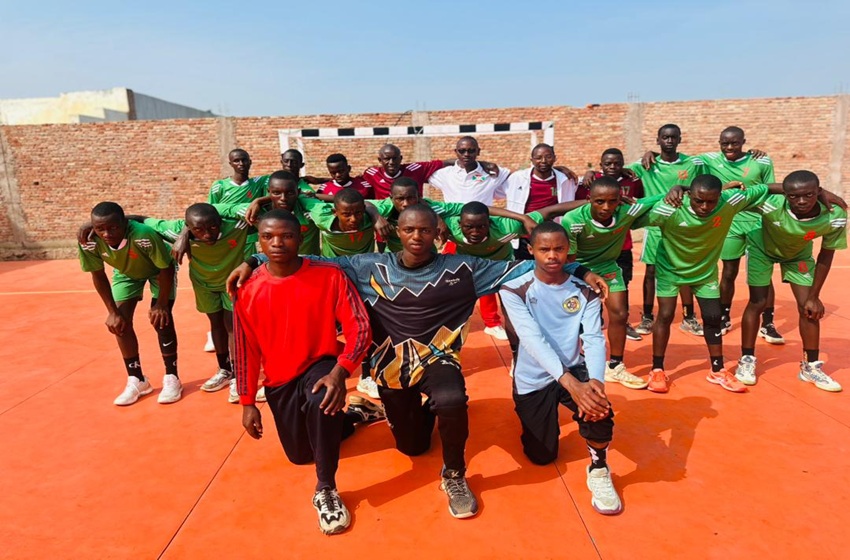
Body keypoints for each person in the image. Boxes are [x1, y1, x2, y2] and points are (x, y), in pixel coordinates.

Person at [228, 204, 609, 520]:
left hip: (439, 357)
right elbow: (303, 258)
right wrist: (255, 258)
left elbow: (536, 265)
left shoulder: (463, 269)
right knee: (412, 446)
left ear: (437, 232)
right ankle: (390, 414)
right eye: (409, 229)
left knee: (452, 398)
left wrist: (580, 269)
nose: (416, 237)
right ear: (397, 230)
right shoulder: (366, 266)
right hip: (390, 367)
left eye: (425, 231)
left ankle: (455, 473)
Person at [234, 209, 380, 535]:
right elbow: (245, 350)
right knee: (301, 455)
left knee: (321, 397)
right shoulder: (247, 289)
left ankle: (325, 489)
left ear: (300, 238)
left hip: (321, 364)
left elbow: (360, 328)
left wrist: (342, 372)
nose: (277, 243)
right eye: (268, 237)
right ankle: (353, 416)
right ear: (258, 242)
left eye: (286, 236)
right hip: (279, 378)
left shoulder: (328, 275)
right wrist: (247, 402)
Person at [500, 221, 622, 515]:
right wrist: (572, 385)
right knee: (542, 455)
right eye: (544, 249)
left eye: (559, 249)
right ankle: (536, 422)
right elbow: (532, 339)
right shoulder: (514, 289)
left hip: (573, 368)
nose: (552, 255)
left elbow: (592, 338)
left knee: (599, 409)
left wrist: (595, 384)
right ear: (531, 251)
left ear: (569, 251)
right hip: (533, 376)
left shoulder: (586, 290)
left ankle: (599, 468)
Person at [646, 175, 778, 393]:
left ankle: (717, 370)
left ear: (720, 196)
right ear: (689, 195)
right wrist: (675, 187)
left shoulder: (730, 201)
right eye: (699, 200)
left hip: (704, 273)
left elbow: (767, 187)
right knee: (666, 315)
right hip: (670, 271)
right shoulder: (671, 207)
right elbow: (634, 213)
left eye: (711, 201)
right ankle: (657, 369)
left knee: (713, 318)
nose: (705, 206)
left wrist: (820, 192)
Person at [734, 171, 847, 391]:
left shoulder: (835, 214)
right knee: (757, 302)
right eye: (794, 196)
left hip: (798, 255)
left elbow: (826, 254)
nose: (802, 201)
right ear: (785, 194)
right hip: (761, 250)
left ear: (818, 192)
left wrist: (814, 296)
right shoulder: (770, 204)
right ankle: (747, 359)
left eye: (809, 195)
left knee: (809, 308)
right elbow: (753, 190)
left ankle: (810, 366)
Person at [562, 177, 665, 390]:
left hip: (608, 267)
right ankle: (570, 364)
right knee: (574, 318)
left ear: (621, 200)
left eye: (612, 201)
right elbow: (569, 261)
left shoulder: (627, 211)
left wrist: (678, 187)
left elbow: (658, 198)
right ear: (589, 199)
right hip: (578, 268)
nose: (606, 207)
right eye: (600, 201)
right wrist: (586, 276)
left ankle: (615, 365)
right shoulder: (572, 220)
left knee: (619, 313)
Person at [77, 202, 181, 405]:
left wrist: (160, 304)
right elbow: (98, 275)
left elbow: (166, 268)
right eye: (100, 229)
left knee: (161, 318)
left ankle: (172, 377)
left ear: (124, 223)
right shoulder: (88, 241)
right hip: (126, 273)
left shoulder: (143, 234)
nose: (106, 233)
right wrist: (111, 311)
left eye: (113, 227)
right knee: (120, 323)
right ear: (92, 227)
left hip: (159, 270)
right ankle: (137, 379)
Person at [144, 203, 250, 396]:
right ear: (187, 226)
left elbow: (260, 211)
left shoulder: (237, 226)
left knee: (232, 326)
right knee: (215, 324)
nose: (207, 234)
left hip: (231, 283)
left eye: (213, 227)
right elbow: (142, 220)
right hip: (204, 284)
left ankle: (237, 376)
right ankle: (224, 370)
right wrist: (88, 226)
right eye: (198, 230)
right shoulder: (175, 230)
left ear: (220, 222)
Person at [427, 136, 513, 339]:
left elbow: (524, 177)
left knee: (488, 277)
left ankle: (492, 323)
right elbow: (416, 172)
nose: (467, 154)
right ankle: (448, 320)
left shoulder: (492, 173)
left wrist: (561, 171)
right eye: (462, 151)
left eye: (471, 151)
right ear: (455, 152)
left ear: (478, 151)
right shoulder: (444, 174)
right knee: (449, 278)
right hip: (455, 233)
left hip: (483, 232)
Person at [627, 124, 706, 338]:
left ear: (680, 139)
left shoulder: (693, 163)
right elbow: (616, 170)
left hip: (684, 225)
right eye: (665, 137)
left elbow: (706, 182)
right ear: (658, 140)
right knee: (651, 271)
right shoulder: (645, 164)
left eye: (673, 137)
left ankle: (689, 316)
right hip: (656, 227)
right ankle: (647, 316)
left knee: (685, 270)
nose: (669, 141)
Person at [575, 148, 645, 341]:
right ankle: (593, 320)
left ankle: (625, 321)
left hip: (622, 245)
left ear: (624, 164)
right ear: (601, 166)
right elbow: (581, 204)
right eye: (608, 163)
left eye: (617, 163)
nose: (613, 166)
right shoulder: (591, 181)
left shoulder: (632, 180)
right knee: (591, 286)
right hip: (595, 246)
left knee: (622, 286)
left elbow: (639, 200)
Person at [505, 143, 578, 260]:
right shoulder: (516, 178)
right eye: (538, 158)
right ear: (531, 160)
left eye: (548, 157)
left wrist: (591, 173)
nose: (543, 161)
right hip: (524, 236)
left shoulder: (566, 180)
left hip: (553, 237)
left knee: (551, 272)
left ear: (555, 158)